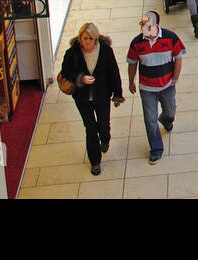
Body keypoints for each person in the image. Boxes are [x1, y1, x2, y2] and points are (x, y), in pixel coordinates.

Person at [58, 23, 123, 176]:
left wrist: (117, 94)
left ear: (96, 39)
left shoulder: (105, 51)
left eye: (90, 38)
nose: (87, 42)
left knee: (103, 125)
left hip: (102, 96)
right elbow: (66, 72)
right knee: (90, 129)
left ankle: (105, 138)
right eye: (84, 38)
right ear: (80, 38)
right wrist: (80, 78)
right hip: (82, 98)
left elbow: (114, 72)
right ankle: (95, 162)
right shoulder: (72, 53)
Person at [126, 11, 185, 165]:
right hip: (147, 88)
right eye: (142, 25)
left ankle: (166, 120)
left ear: (157, 25)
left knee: (170, 110)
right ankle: (156, 149)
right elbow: (132, 63)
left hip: (167, 85)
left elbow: (178, 57)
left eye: (148, 25)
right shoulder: (136, 43)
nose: (144, 28)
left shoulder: (170, 37)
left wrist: (175, 78)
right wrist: (131, 81)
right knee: (150, 119)